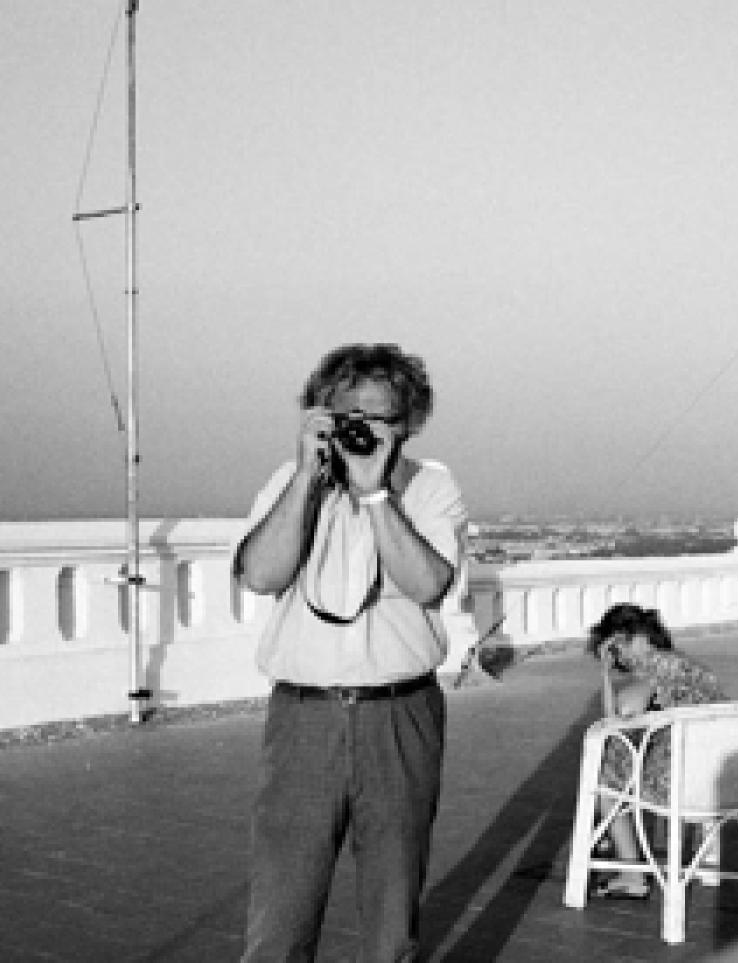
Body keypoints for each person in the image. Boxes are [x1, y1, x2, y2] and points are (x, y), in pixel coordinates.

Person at [233, 343, 468, 961]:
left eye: (379, 417)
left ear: (406, 425)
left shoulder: (430, 487)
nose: (362, 428)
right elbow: (258, 574)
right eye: (348, 414)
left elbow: (428, 584)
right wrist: (309, 475)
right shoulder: (291, 482)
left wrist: (374, 495)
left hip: (399, 715)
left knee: (392, 913)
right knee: (280, 912)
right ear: (322, 414)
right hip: (303, 717)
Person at [586, 603, 723, 900]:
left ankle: (631, 874)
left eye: (616, 652)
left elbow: (619, 717)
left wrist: (605, 675)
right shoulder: (688, 666)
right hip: (722, 779)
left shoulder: (654, 666)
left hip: (681, 784)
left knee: (604, 777)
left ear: (625, 639)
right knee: (620, 761)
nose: (621, 662)